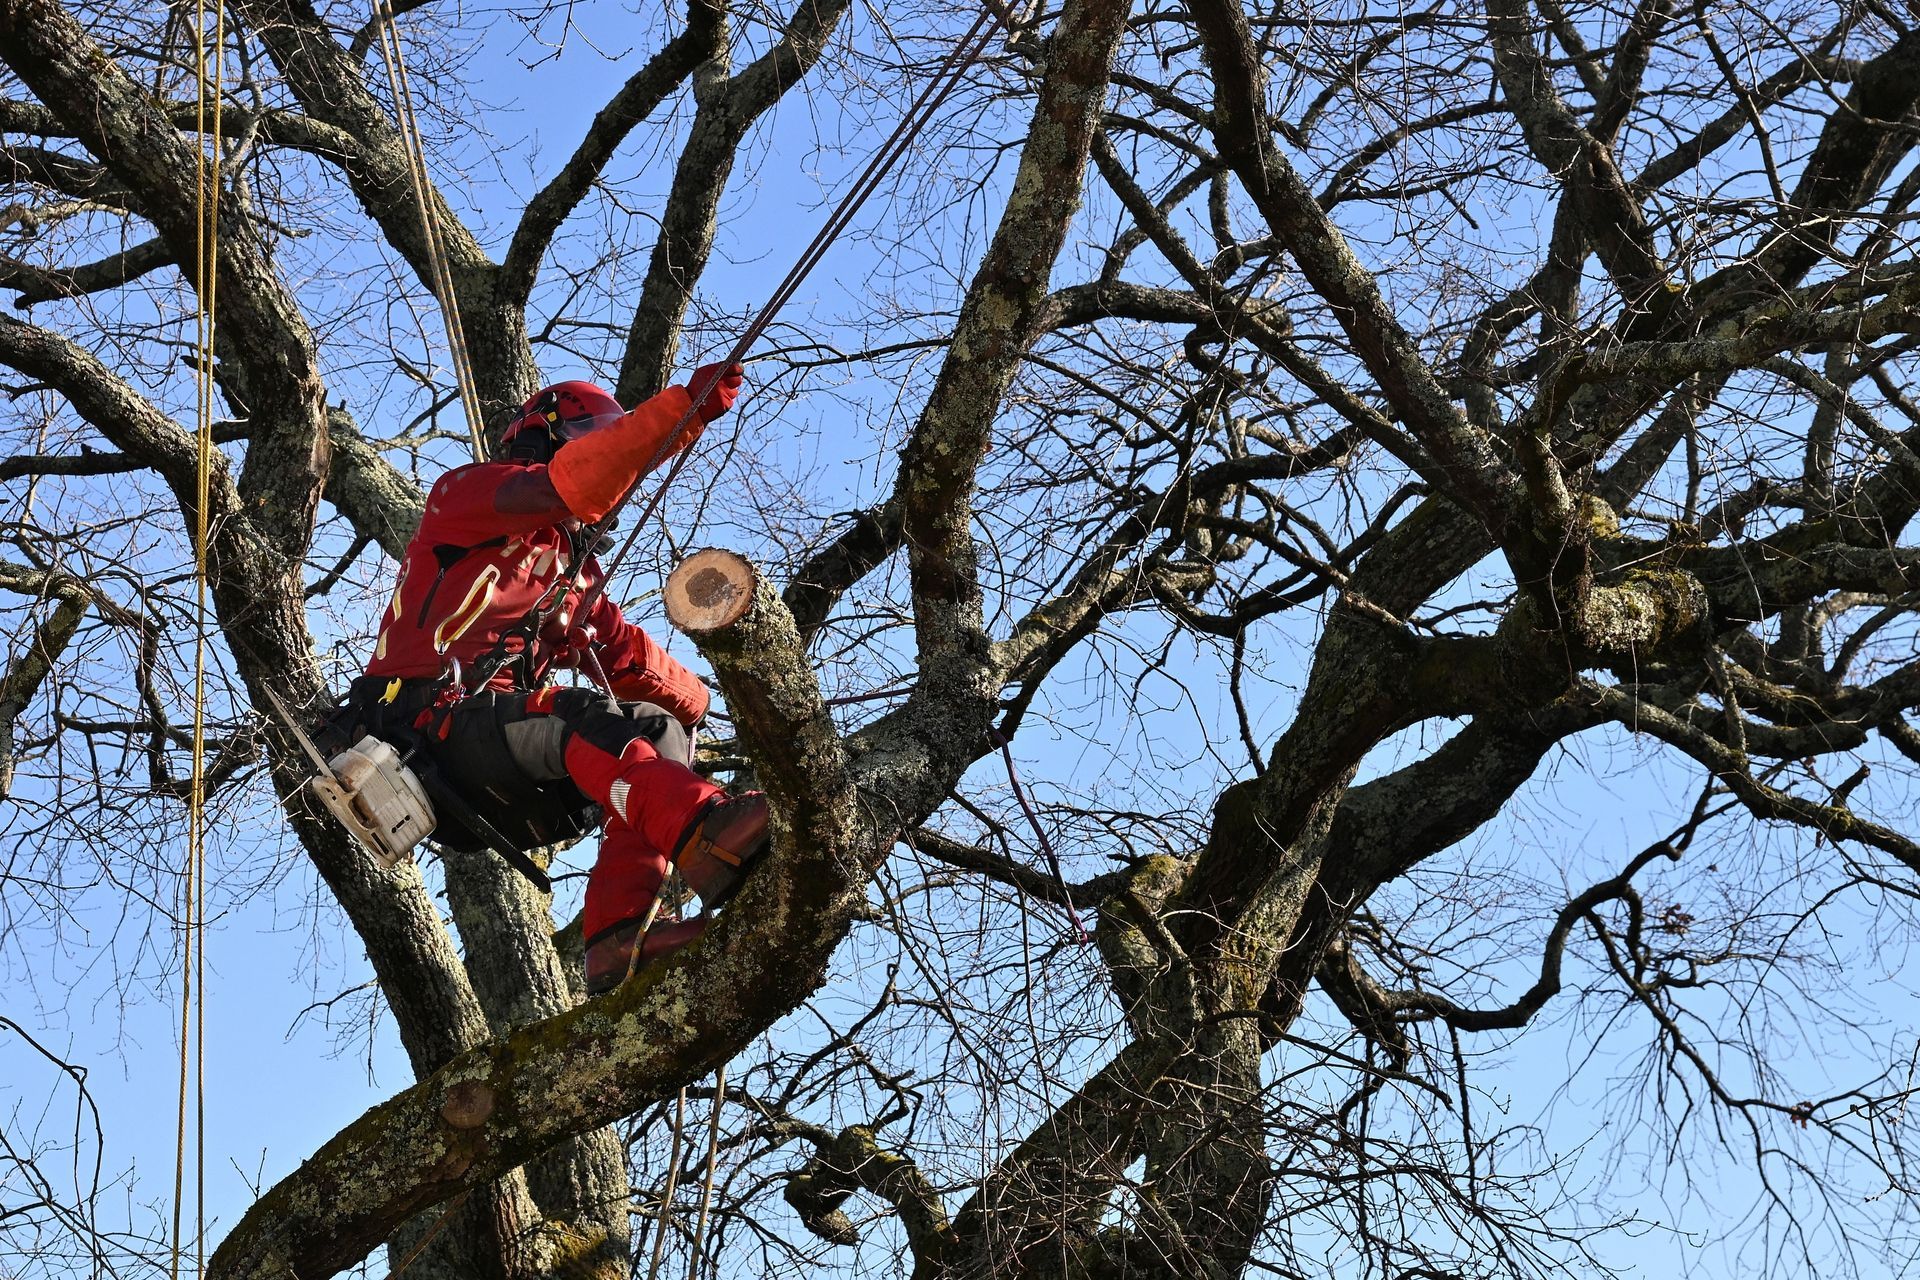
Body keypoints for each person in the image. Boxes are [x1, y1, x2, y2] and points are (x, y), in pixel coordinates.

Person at [348, 365, 765, 995]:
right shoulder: (468, 497)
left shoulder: (573, 579)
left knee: (661, 730)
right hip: (427, 726)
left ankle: (620, 936)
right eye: (586, 442)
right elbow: (576, 481)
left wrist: (709, 699)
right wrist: (684, 410)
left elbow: (626, 655)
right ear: (543, 440)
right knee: (577, 714)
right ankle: (705, 834)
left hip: (497, 758)